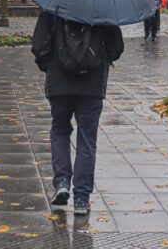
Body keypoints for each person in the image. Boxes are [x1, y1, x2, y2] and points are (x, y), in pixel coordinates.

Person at [31, 12, 124, 216]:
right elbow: (116, 48)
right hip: (91, 87)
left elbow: (39, 46)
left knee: (60, 131)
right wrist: (101, 62)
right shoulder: (102, 9)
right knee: (87, 139)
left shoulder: (53, 9)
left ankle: (62, 182)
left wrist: (51, 67)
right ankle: (81, 198)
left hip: (59, 84)